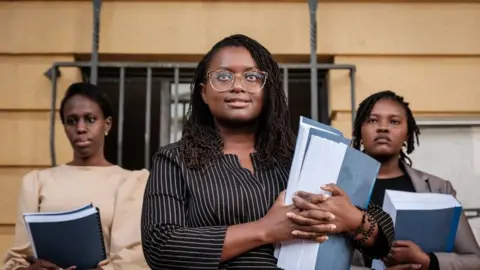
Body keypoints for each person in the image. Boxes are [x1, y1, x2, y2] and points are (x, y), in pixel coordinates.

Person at [141, 34, 394, 269]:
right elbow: (160, 246)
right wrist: (266, 229)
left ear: (268, 90)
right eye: (223, 76)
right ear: (204, 92)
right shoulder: (175, 159)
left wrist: (353, 220)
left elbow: (384, 236)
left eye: (252, 77)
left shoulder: (304, 156)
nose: (238, 86)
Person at [3, 82, 150, 270]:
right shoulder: (36, 182)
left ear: (107, 124)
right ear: (64, 127)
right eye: (72, 121)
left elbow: (134, 255)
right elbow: (19, 257)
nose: (80, 128)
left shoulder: (131, 182)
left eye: (90, 119)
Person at [350, 90, 480, 270]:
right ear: (358, 132)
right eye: (372, 120)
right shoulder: (338, 188)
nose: (383, 127)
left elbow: (474, 261)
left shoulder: (438, 188)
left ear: (407, 134)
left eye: (394, 121)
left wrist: (428, 261)